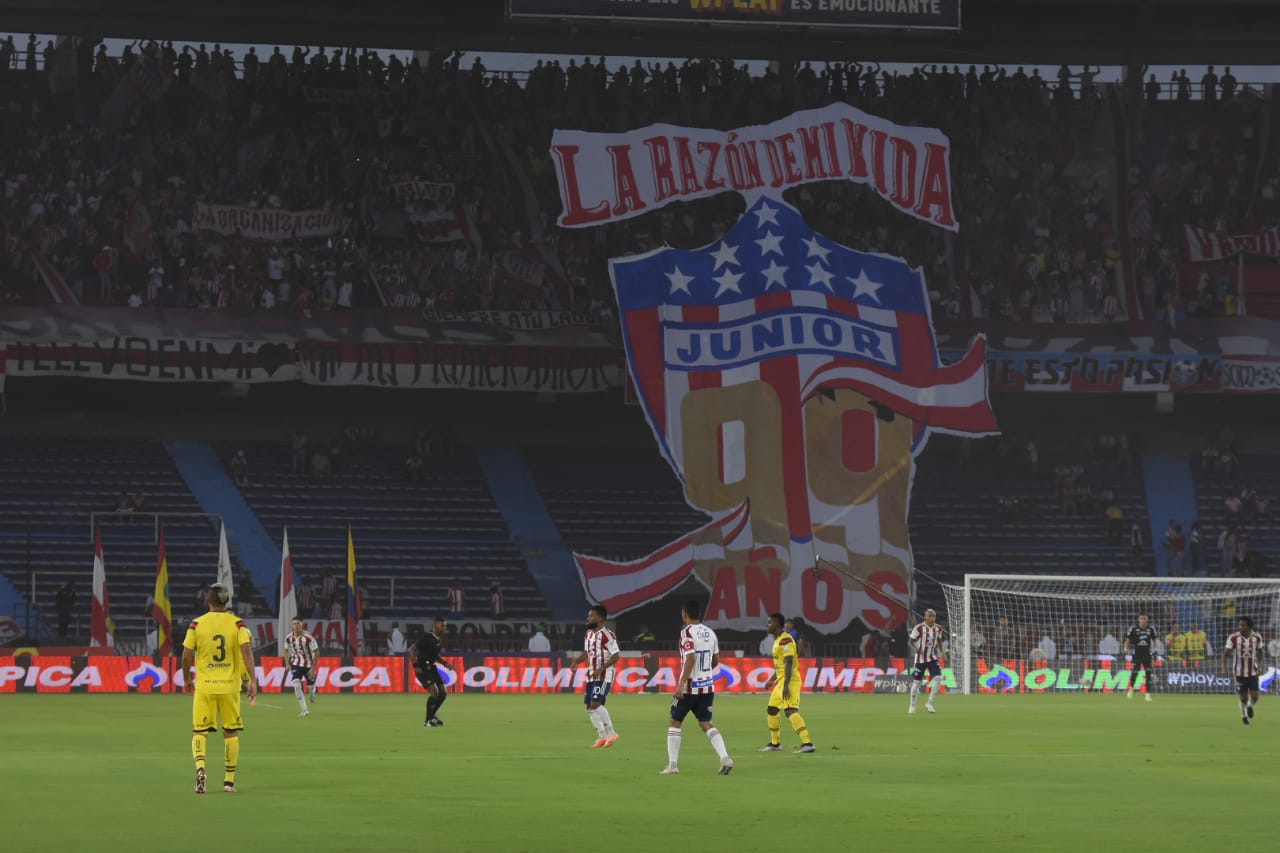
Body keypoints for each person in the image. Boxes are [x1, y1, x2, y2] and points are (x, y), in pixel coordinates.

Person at [181, 582, 256, 794]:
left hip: (205, 687)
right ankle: (229, 781)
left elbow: (186, 655)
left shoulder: (196, 624)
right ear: (227, 601)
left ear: (208, 600)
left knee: (200, 731)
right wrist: (253, 680)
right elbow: (246, 653)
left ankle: (201, 769)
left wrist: (186, 679)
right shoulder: (238, 624)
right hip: (229, 688)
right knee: (230, 733)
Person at [662, 600, 733, 776]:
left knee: (675, 722)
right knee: (706, 723)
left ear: (684, 615)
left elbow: (690, 658)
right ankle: (725, 759)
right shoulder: (710, 632)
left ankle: (672, 765)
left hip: (689, 688)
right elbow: (716, 661)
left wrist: (681, 684)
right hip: (707, 686)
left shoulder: (686, 633)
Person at [565, 605, 620, 748]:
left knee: (596, 703)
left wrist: (601, 668)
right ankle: (602, 736)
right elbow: (587, 652)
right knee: (589, 707)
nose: (588, 618)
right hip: (591, 675)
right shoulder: (589, 634)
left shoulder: (607, 635)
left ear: (600, 618)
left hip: (604, 675)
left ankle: (612, 733)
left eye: (591, 616)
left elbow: (616, 655)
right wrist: (576, 662)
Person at [759, 613, 815, 754]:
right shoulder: (778, 641)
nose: (767, 625)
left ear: (777, 624)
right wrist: (772, 679)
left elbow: (789, 663)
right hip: (782, 680)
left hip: (790, 681)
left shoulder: (786, 640)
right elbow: (781, 664)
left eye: (769, 623)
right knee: (772, 709)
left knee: (790, 711)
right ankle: (775, 744)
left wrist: (786, 686)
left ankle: (807, 743)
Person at [1222, 616, 1263, 725]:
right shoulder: (1233, 638)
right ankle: (1244, 715)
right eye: (1239, 625)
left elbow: (1260, 652)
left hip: (1253, 672)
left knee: (1255, 696)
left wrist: (1259, 666)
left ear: (1249, 626)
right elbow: (1226, 654)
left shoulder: (1257, 637)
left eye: (1243, 625)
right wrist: (1224, 669)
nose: (1241, 627)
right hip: (1239, 673)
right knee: (1243, 698)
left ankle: (1250, 706)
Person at [410, 617, 449, 727]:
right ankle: (428, 720)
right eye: (442, 625)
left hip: (431, 668)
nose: (444, 628)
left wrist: (444, 663)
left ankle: (432, 716)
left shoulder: (437, 639)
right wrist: (415, 665)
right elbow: (412, 649)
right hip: (423, 668)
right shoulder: (427, 636)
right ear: (436, 625)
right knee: (434, 692)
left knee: (443, 692)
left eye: (445, 626)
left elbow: (434, 655)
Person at [908, 609, 946, 715]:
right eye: (929, 616)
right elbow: (910, 641)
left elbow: (938, 640)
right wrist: (915, 648)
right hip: (920, 659)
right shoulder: (919, 628)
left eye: (933, 616)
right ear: (925, 617)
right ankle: (912, 705)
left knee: (938, 679)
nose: (932, 618)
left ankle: (929, 703)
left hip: (932, 658)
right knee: (917, 683)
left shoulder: (938, 628)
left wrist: (943, 653)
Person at [282, 617, 319, 716]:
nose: (296, 625)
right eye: (294, 623)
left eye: (298, 623)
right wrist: (287, 664)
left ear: (302, 625)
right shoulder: (288, 637)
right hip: (296, 664)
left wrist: (313, 668)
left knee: (310, 687)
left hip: (308, 665)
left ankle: (312, 692)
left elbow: (316, 652)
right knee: (297, 685)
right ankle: (304, 710)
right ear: (292, 625)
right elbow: (285, 651)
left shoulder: (308, 638)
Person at [1124, 613, 1157, 701]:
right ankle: (1131, 690)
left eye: (1144, 618)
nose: (1143, 620)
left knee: (1148, 674)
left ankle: (1148, 694)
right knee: (1135, 673)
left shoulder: (1151, 629)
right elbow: (1128, 640)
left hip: (1147, 655)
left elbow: (1155, 640)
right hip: (1137, 655)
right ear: (1139, 620)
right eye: (1141, 618)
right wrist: (1125, 649)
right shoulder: (1134, 629)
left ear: (1147, 620)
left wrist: (1156, 650)